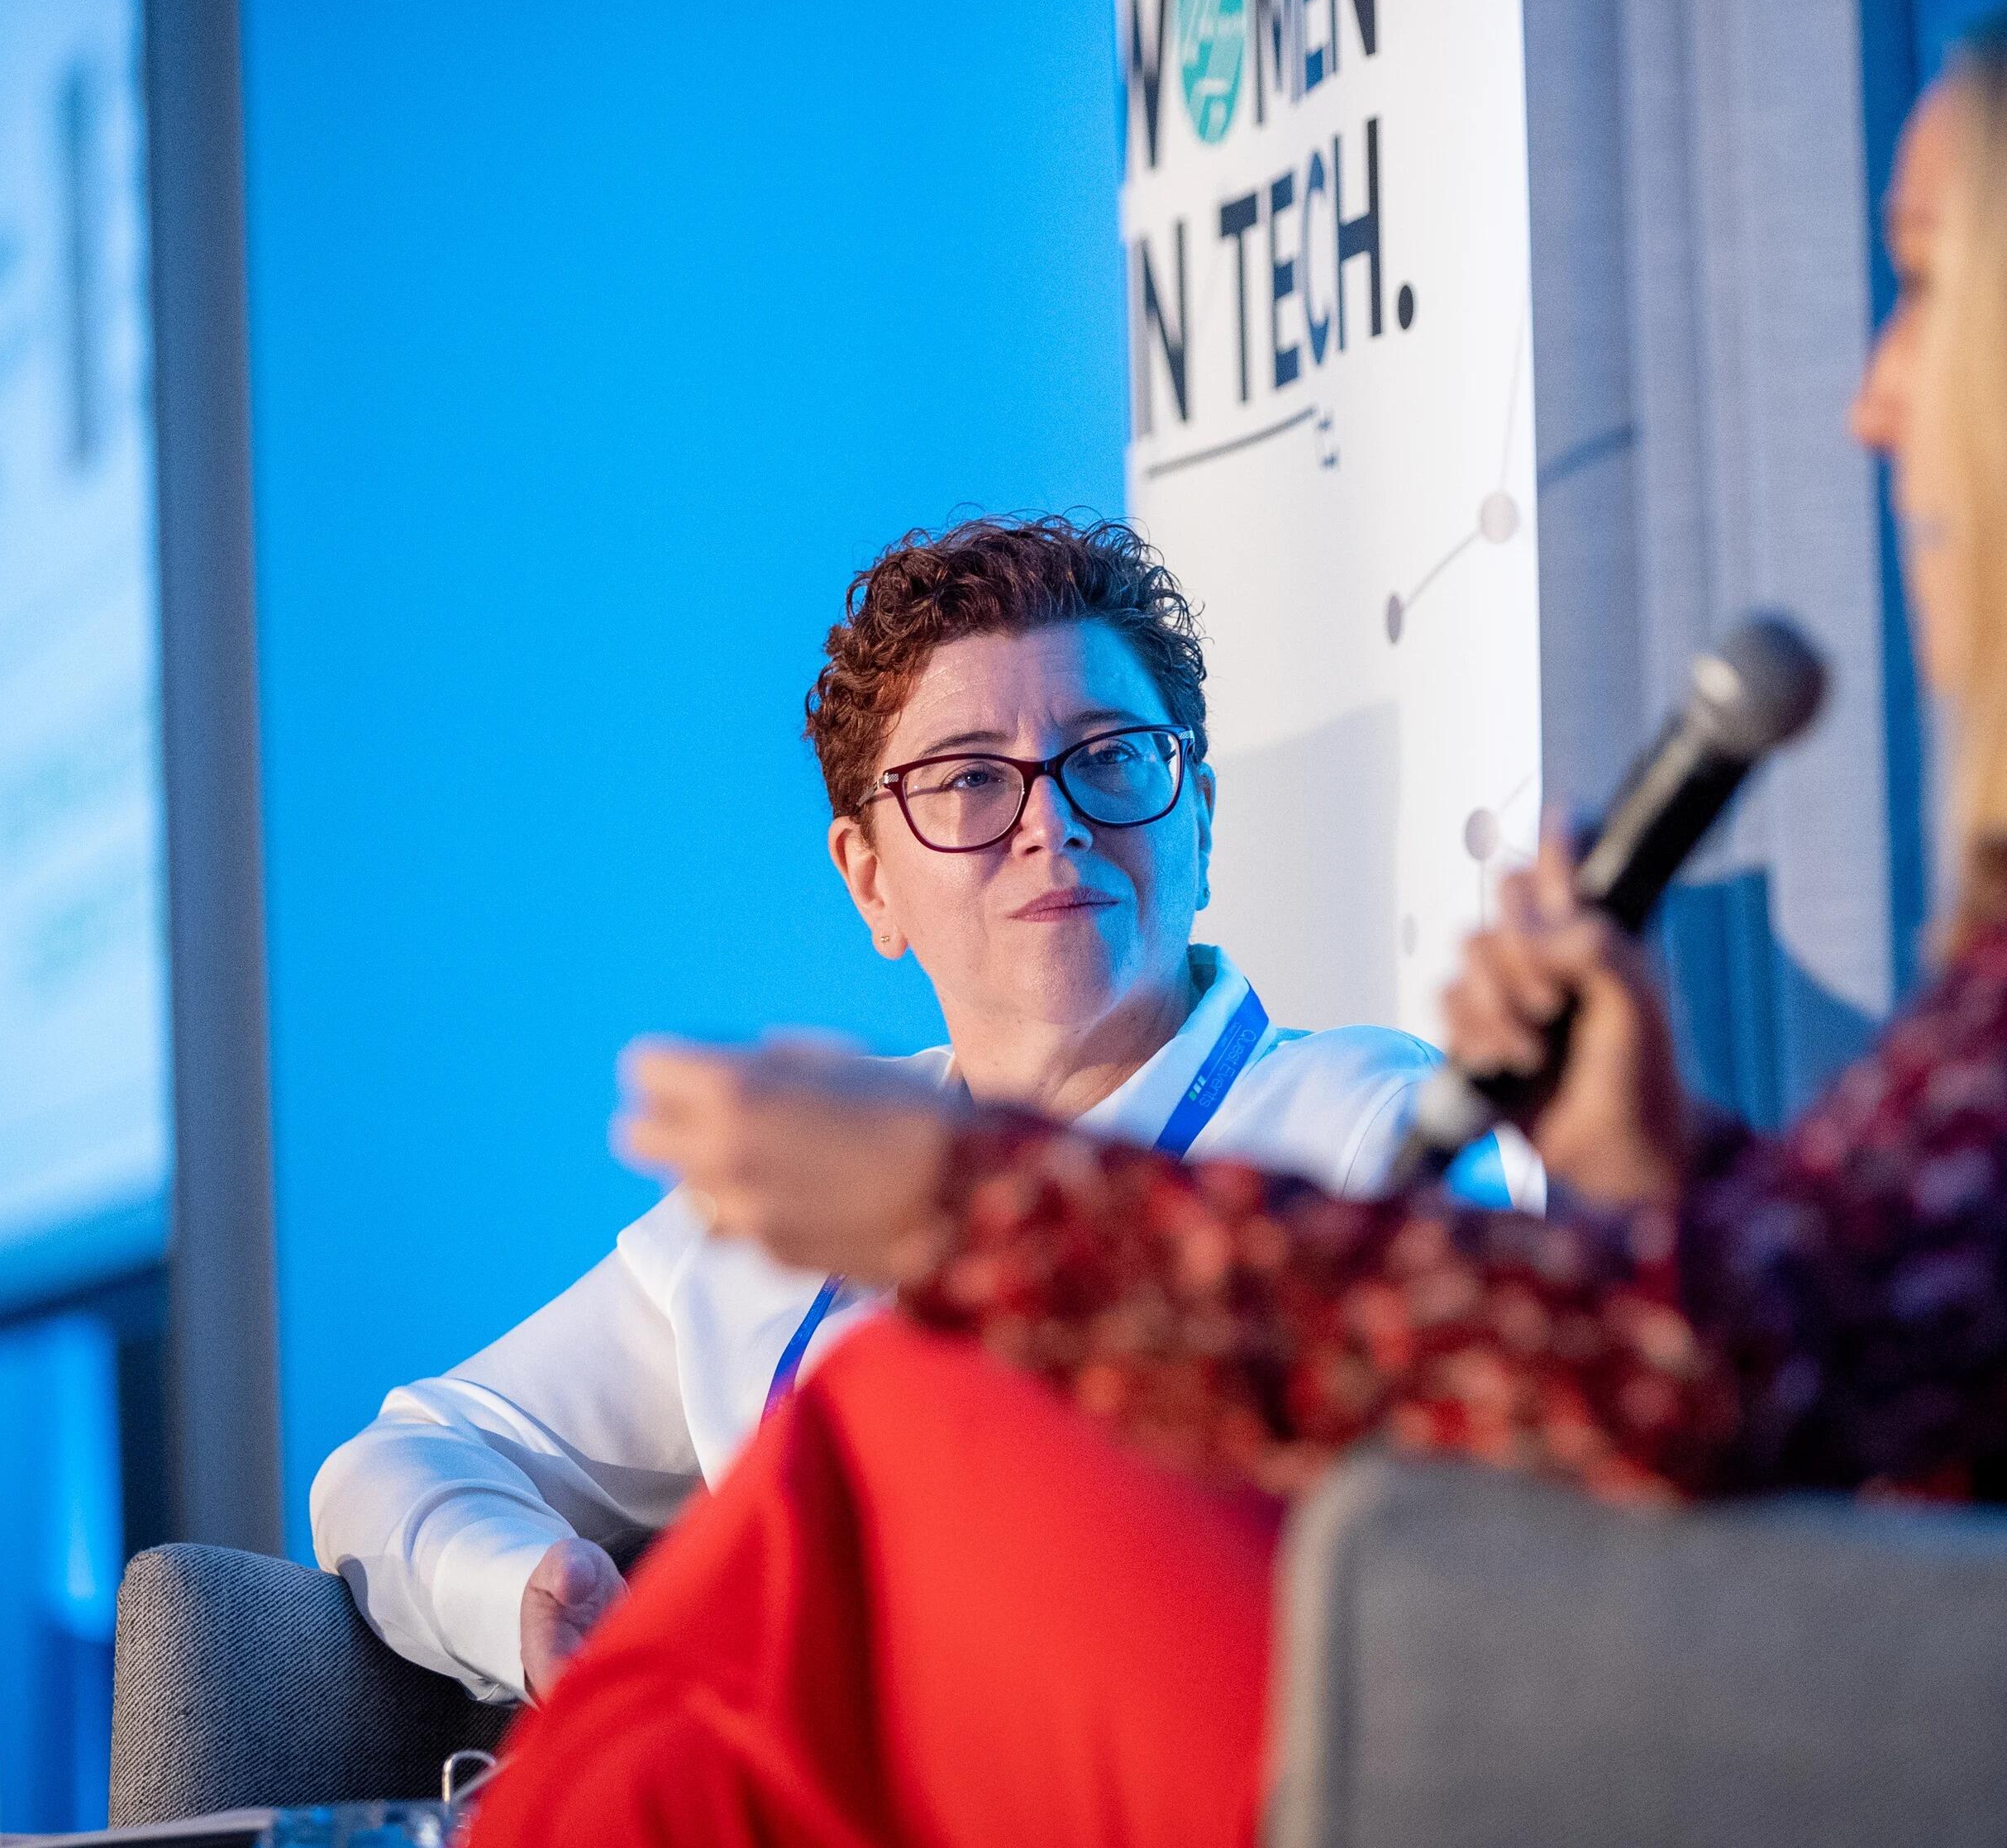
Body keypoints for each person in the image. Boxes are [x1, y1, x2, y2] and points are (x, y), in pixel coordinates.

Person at [467, 0, 2007, 1846]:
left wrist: (962, 1207)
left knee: (903, 1447)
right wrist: (1661, 1165)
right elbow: (1968, 1348)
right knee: (809, 1585)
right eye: (969, 789)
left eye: (1923, 289)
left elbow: (1707, 1384)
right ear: (868, 868)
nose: (1877, 399)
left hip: (1941, 1758)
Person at [309, 515, 1518, 1703]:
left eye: (1110, 755)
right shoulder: (800, 1188)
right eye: (971, 779)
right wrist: (526, 1589)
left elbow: (1462, 1538)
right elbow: (409, 1455)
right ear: (870, 880)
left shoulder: (1373, 1123)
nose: (1054, 821)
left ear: (1198, 816)